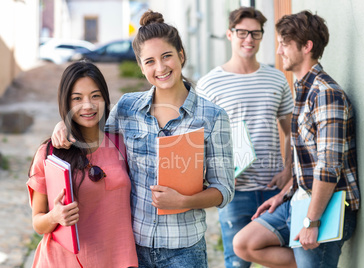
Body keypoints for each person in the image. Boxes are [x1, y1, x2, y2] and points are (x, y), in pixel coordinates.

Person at [51, 10, 235, 268]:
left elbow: (224, 190)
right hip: (131, 247)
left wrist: (184, 201)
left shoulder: (213, 117)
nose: (160, 68)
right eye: (149, 61)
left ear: (181, 55)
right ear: (140, 66)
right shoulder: (127, 107)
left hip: (184, 251)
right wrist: (64, 124)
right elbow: (92, 131)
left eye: (167, 56)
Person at [232, 10, 360, 268]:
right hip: (299, 199)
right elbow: (308, 161)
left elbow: (328, 167)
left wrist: (312, 223)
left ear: (306, 47)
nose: (279, 51)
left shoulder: (326, 94)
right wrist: (284, 193)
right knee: (244, 243)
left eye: (283, 44)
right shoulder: (303, 89)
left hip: (327, 208)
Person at [196, 6, 293, 268]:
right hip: (235, 191)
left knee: (283, 255)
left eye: (255, 33)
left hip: (275, 188)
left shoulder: (277, 79)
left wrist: (288, 170)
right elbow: (201, 141)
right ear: (229, 34)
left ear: (262, 37)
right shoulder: (209, 84)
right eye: (242, 32)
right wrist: (217, 173)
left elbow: (290, 130)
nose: (248, 39)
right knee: (237, 262)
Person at [27, 61, 138, 267]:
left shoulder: (122, 144)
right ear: (66, 103)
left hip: (118, 259)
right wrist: (55, 216)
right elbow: (38, 223)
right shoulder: (50, 153)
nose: (88, 105)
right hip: (64, 261)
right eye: (77, 98)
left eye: (95, 96)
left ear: (105, 98)